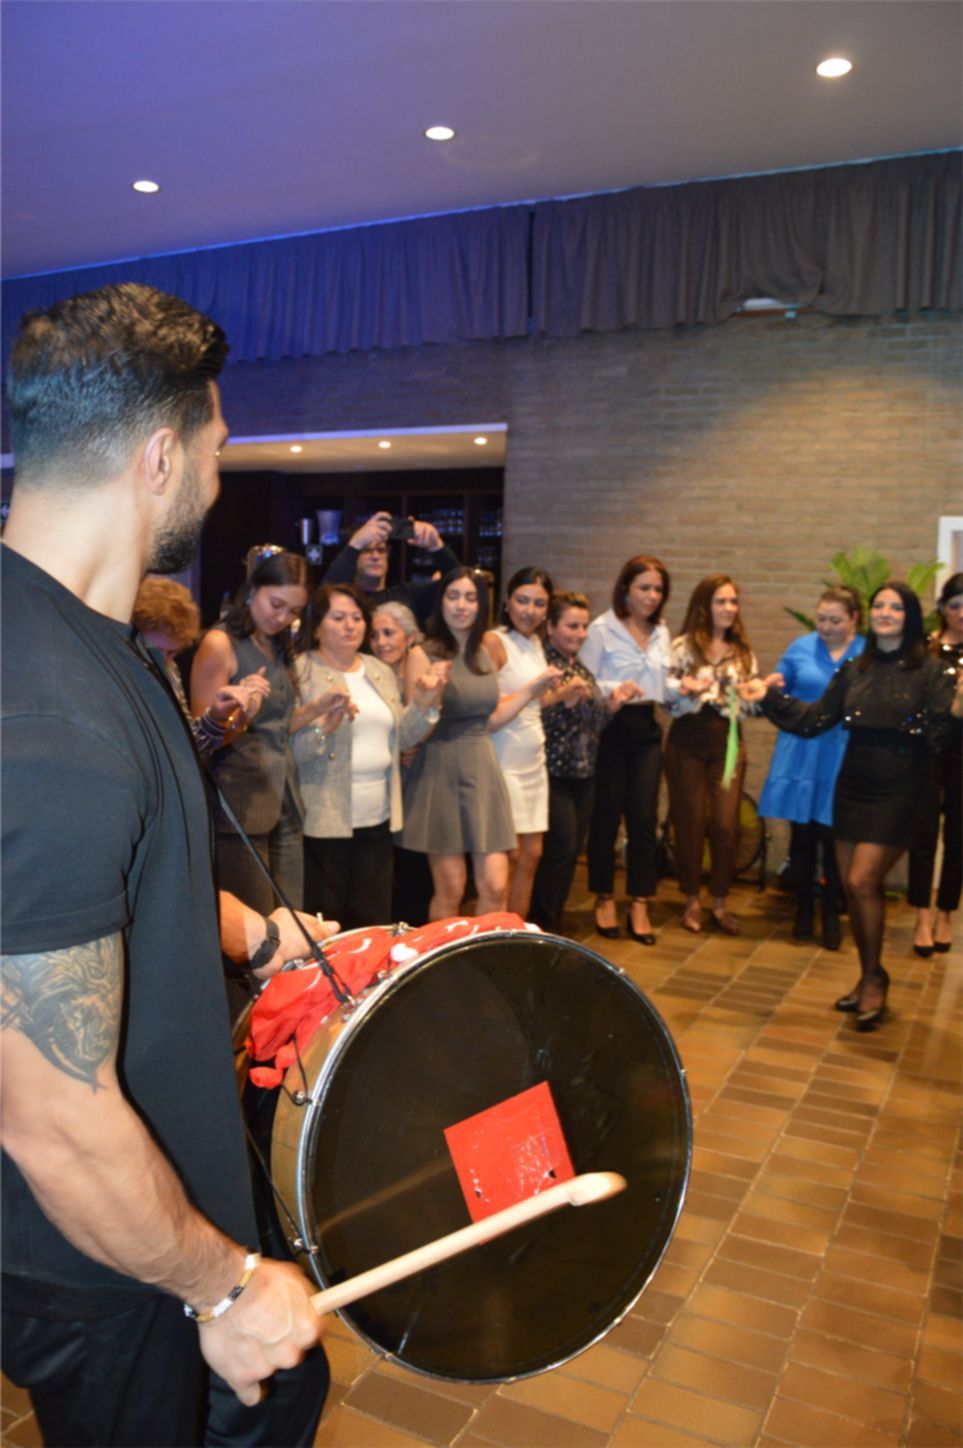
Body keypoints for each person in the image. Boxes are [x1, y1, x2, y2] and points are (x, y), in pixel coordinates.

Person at [1, 282, 329, 1446]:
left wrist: (267, 935)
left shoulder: (100, 643)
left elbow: (119, 889)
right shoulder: (50, 719)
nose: (219, 475)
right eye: (216, 446)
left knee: (289, 1397)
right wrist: (220, 1287)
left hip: (163, 1198)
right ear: (157, 456)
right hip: (107, 1254)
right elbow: (52, 1115)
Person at [743, 582, 961, 1030]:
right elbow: (815, 719)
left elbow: (942, 737)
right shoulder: (855, 668)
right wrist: (767, 695)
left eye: (895, 606)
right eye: (879, 605)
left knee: (862, 880)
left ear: (910, 615)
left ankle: (875, 979)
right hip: (853, 784)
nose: (885, 612)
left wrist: (958, 707)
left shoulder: (931, 670)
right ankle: (869, 975)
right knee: (851, 886)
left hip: (903, 788)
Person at [192, 547, 345, 916]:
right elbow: (198, 741)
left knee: (292, 918)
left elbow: (276, 728)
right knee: (257, 926)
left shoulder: (277, 645)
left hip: (283, 798)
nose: (281, 618)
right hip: (238, 806)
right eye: (276, 604)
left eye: (293, 611)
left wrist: (316, 709)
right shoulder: (221, 643)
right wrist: (241, 716)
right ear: (252, 590)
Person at [401, 568, 553, 918]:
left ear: (481, 604)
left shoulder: (484, 650)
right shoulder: (423, 654)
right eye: (453, 596)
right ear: (440, 602)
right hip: (440, 770)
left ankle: (490, 952)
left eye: (470, 598)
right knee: (452, 887)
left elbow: (492, 719)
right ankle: (444, 953)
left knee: (496, 885)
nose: (461, 605)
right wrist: (430, 698)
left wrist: (531, 690)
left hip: (483, 768)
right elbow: (413, 734)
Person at [292, 584, 445, 928]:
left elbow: (402, 738)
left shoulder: (378, 669)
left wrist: (425, 703)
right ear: (316, 626)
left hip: (378, 817)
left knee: (373, 922)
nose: (350, 625)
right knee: (327, 924)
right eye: (339, 618)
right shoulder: (301, 671)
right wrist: (324, 727)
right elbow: (290, 752)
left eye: (357, 617)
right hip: (323, 819)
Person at [757, 586, 864, 948]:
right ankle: (803, 909)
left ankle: (831, 913)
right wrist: (771, 684)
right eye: (821, 619)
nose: (826, 627)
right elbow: (779, 685)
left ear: (853, 619)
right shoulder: (800, 647)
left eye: (835, 620)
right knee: (802, 836)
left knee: (834, 837)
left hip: (842, 753)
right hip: (801, 751)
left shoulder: (865, 653)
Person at [530, 591, 638, 934]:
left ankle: (553, 922)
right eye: (571, 626)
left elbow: (594, 723)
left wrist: (612, 704)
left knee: (572, 851)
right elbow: (528, 716)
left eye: (583, 626)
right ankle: (542, 925)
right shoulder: (543, 667)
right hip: (552, 773)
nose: (580, 634)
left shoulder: (579, 668)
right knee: (559, 851)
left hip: (584, 773)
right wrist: (561, 698)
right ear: (551, 627)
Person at [581, 555, 671, 943]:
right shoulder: (602, 629)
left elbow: (665, 685)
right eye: (644, 588)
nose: (652, 596)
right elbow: (585, 682)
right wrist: (613, 688)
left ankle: (640, 901)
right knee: (606, 817)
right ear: (625, 589)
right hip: (611, 728)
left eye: (658, 590)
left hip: (647, 727)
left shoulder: (662, 631)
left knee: (644, 817)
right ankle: (603, 896)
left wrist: (690, 687)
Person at [664, 574, 760, 936]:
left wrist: (753, 696)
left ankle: (719, 900)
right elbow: (666, 700)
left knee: (725, 823)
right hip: (686, 740)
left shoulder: (743, 652)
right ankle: (692, 899)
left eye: (733, 602)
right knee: (689, 821)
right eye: (722, 601)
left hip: (727, 743)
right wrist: (688, 691)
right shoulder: (682, 647)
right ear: (705, 605)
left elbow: (751, 708)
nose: (729, 608)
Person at [483, 567, 566, 919]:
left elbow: (530, 704)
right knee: (510, 856)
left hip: (533, 756)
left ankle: (519, 931)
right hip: (504, 757)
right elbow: (488, 711)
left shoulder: (533, 642)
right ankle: (497, 934)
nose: (530, 611)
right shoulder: (493, 641)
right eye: (522, 600)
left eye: (539, 604)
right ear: (507, 600)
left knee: (532, 855)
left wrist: (558, 695)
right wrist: (535, 687)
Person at [133, 575, 270, 759]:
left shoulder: (170, 669)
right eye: (156, 650)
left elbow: (189, 748)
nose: (163, 659)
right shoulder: (120, 675)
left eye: (172, 652)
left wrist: (216, 715)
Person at [907, 572, 963, 956]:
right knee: (923, 835)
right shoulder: (925, 648)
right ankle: (922, 915)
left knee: (958, 837)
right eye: (955, 605)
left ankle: (946, 913)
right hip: (926, 752)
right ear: (943, 608)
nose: (961, 613)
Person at [323, 509, 460, 623]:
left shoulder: (409, 595)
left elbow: (459, 583)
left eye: (381, 550)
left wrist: (436, 546)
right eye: (366, 550)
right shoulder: (345, 601)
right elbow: (324, 594)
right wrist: (356, 543)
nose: (375, 556)